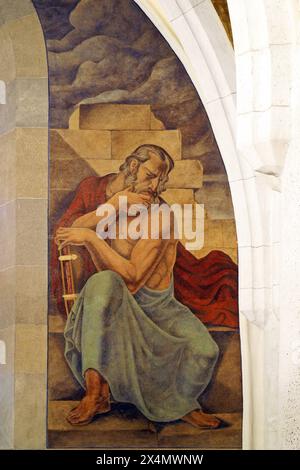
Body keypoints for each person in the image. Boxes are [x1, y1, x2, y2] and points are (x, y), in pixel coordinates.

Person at [56, 145, 221, 429]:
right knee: (102, 283)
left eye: (160, 179)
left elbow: (133, 279)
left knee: (206, 351)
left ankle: (178, 403)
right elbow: (68, 233)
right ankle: (95, 393)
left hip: (159, 308)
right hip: (118, 304)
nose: (156, 185)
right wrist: (115, 205)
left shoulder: (161, 215)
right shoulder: (116, 204)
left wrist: (92, 239)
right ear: (132, 166)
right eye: (150, 175)